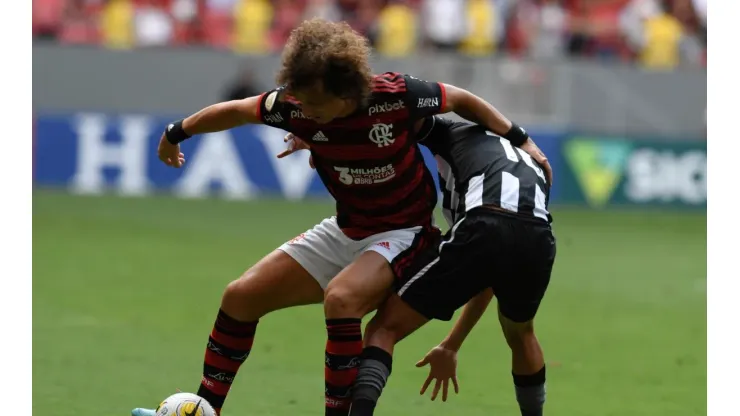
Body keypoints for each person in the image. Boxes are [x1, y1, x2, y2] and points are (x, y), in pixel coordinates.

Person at [132, 18, 552, 416]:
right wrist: (176, 133)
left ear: (349, 93)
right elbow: (239, 110)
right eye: (301, 101)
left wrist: (520, 138)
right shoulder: (295, 105)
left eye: (316, 103)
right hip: (348, 227)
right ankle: (205, 408)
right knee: (240, 297)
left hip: (404, 232)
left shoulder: (396, 96)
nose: (306, 110)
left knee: (342, 299)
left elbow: (460, 99)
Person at [347, 116, 556, 416]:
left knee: (384, 328)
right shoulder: (521, 155)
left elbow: (402, 119)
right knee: (521, 335)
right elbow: (487, 275)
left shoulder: (450, 133)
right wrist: (451, 345)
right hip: (538, 236)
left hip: (485, 222)